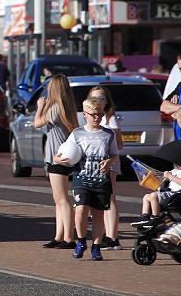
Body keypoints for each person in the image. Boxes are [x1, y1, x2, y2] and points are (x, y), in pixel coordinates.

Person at [55, 98, 119, 262]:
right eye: (93, 115)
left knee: (98, 214)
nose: (97, 118)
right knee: (81, 210)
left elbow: (114, 154)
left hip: (101, 180)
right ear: (84, 114)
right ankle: (81, 241)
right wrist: (57, 159)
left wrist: (110, 162)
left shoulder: (108, 134)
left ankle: (96, 247)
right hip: (81, 178)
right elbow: (63, 152)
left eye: (100, 114)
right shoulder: (77, 133)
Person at [34, 74, 78, 249]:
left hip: (56, 155)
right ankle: (59, 235)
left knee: (62, 198)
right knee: (58, 198)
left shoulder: (54, 108)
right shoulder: (66, 107)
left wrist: (40, 107)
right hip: (63, 154)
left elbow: (37, 123)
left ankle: (68, 237)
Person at [86, 86, 123, 250]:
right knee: (100, 199)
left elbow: (120, 145)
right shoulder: (89, 120)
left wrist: (108, 153)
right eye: (94, 98)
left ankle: (113, 237)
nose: (98, 102)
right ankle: (104, 235)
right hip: (94, 163)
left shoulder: (110, 119)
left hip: (109, 160)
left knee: (110, 197)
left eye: (101, 99)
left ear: (107, 101)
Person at [131, 159, 181, 230]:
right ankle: (145, 216)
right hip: (168, 193)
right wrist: (153, 177)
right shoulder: (174, 171)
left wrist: (170, 176)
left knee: (154, 195)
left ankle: (156, 217)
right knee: (146, 197)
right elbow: (162, 180)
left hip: (176, 195)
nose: (176, 165)